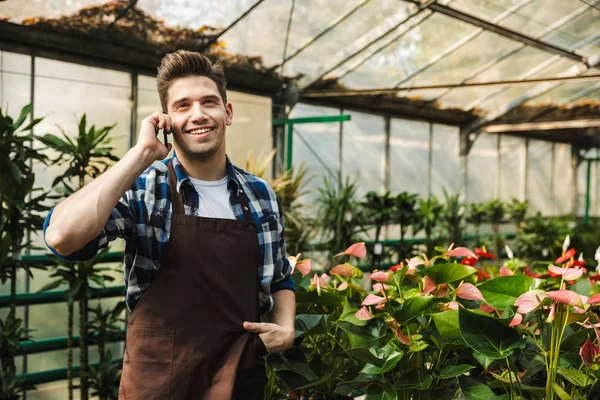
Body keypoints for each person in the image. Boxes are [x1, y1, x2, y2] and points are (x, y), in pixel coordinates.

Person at [44, 50, 296, 399]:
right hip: (158, 385)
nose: (198, 114)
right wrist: (140, 153)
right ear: (166, 120)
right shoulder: (145, 189)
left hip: (240, 381)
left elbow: (281, 274)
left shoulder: (259, 195)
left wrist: (285, 327)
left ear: (228, 112)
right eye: (182, 106)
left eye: (209, 101)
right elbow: (62, 238)